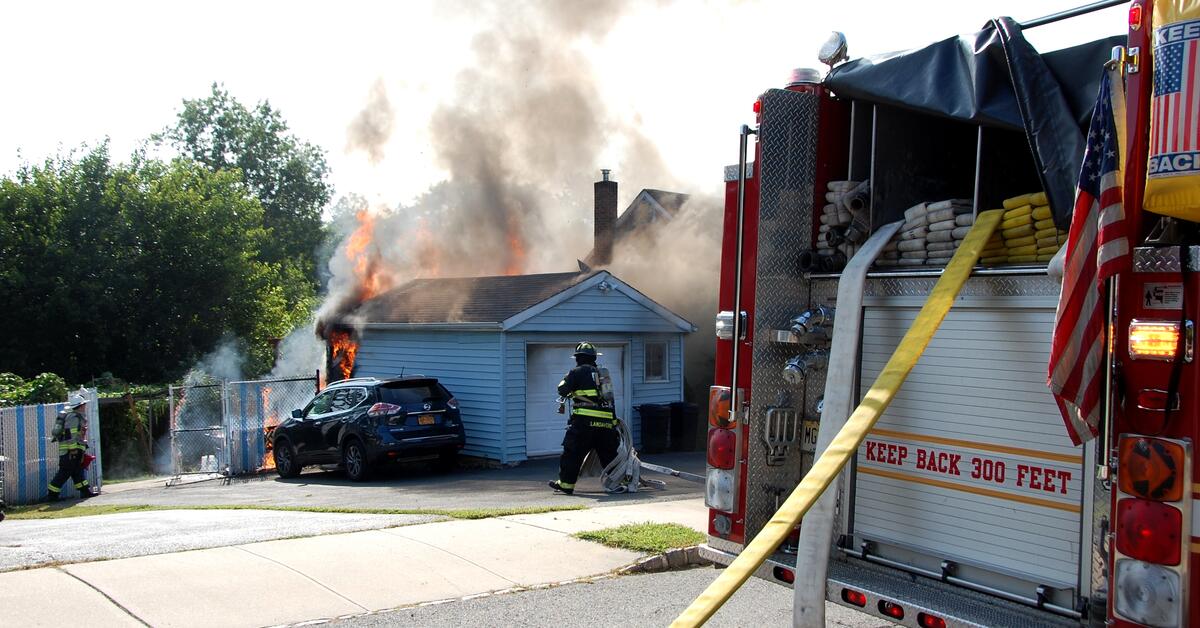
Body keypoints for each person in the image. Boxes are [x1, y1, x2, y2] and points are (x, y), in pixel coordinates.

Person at [548, 342, 620, 495]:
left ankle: (566, 485)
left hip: (584, 423)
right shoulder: (603, 376)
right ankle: (622, 481)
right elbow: (611, 400)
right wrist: (613, 424)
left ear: (578, 358)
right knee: (609, 455)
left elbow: (562, 389)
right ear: (594, 357)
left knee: (572, 453)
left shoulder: (576, 372)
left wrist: (572, 389)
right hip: (606, 423)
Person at [47, 394, 97, 501]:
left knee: (77, 471)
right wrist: (73, 449)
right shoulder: (74, 417)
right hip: (69, 451)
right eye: (84, 404)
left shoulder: (77, 416)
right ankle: (52, 495)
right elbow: (71, 434)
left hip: (74, 450)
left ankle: (85, 491)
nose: (85, 406)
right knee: (65, 472)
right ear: (80, 405)